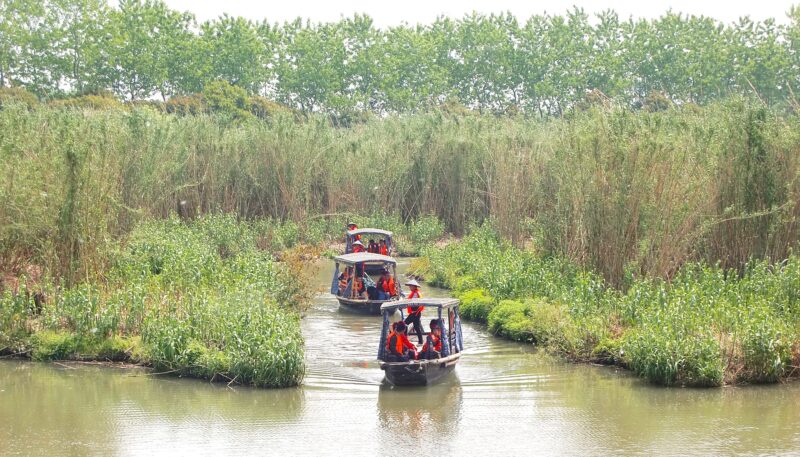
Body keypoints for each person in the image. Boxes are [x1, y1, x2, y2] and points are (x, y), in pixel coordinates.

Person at [404, 279, 424, 344]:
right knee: (416, 327)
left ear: (415, 287)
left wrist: (406, 302)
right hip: (416, 313)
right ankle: (420, 341)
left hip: (415, 313)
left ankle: (404, 338)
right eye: (409, 286)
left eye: (411, 286)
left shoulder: (415, 294)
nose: (410, 287)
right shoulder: (416, 293)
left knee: (404, 324)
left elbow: (414, 304)